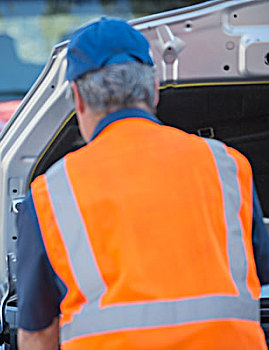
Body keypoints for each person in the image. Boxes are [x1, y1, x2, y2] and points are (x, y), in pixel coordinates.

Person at [16, 18, 269, 349]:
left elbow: (37, 334)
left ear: (77, 97)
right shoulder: (228, 166)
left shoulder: (50, 194)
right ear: (153, 86)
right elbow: (260, 273)